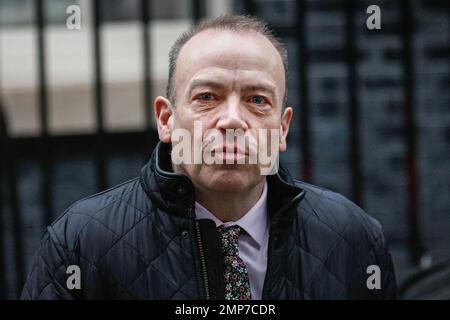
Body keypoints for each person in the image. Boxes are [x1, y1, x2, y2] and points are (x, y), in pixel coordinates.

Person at [21, 15, 396, 300]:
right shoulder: (81, 244)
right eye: (206, 97)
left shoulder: (354, 239)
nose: (232, 119)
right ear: (166, 120)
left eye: (256, 100)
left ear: (282, 128)